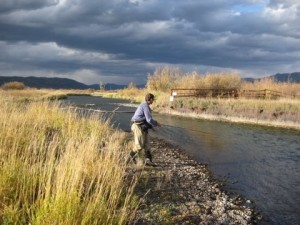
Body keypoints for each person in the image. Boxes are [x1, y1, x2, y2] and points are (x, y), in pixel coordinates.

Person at [128, 93, 161, 166]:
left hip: (143, 126)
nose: (153, 101)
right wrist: (156, 123)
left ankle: (148, 161)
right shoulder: (145, 106)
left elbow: (146, 120)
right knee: (139, 146)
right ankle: (130, 157)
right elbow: (149, 119)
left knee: (147, 144)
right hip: (136, 125)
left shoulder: (147, 106)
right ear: (151, 99)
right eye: (153, 99)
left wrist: (152, 128)